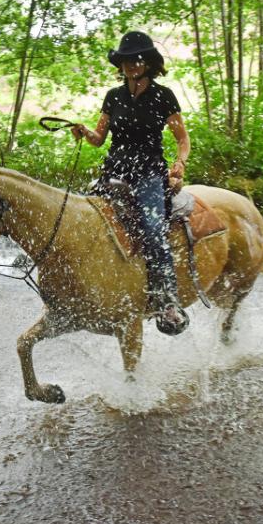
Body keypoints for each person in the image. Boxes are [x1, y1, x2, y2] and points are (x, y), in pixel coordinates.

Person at [71, 30, 190, 335]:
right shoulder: (113, 96)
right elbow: (99, 140)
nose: (131, 65)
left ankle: (168, 300)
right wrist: (85, 132)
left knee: (153, 229)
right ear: (120, 65)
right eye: (126, 61)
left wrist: (179, 164)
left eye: (137, 60)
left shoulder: (164, 95)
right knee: (84, 218)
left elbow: (182, 138)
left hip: (149, 173)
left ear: (148, 62)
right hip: (115, 170)